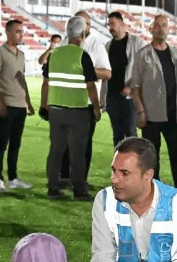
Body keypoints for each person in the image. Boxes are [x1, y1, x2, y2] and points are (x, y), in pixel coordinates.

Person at [42, 16, 101, 201]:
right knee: (77, 154)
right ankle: (79, 190)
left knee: (55, 151)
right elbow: (90, 86)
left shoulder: (54, 54)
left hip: (56, 111)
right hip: (77, 111)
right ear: (82, 34)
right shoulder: (82, 55)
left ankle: (53, 188)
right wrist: (97, 108)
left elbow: (46, 82)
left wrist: (44, 104)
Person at [131, 15, 177, 192]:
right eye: (157, 25)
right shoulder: (143, 55)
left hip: (173, 113)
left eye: (164, 25)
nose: (161, 28)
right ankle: (153, 191)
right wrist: (140, 112)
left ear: (169, 29)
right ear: (151, 29)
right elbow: (135, 87)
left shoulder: (176, 54)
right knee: (151, 155)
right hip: (151, 114)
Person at [60, 11, 112, 190]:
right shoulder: (64, 42)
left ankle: (80, 180)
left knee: (84, 144)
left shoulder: (96, 45)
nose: (81, 26)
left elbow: (107, 73)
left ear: (89, 26)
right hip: (65, 100)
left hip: (86, 103)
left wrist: (85, 69)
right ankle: (64, 178)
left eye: (85, 23)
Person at [0, 19, 35, 194]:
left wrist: (28, 102)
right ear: (8, 33)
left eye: (22, 31)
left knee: (16, 143)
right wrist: (1, 102)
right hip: (7, 104)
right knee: (2, 143)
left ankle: (13, 178)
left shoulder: (21, 55)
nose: (21, 34)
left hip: (20, 105)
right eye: (17, 31)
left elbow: (21, 79)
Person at [104, 12, 145, 146]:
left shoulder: (137, 42)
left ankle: (134, 159)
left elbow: (145, 68)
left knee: (130, 132)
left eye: (112, 23)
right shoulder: (108, 46)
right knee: (117, 134)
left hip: (130, 97)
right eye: (108, 24)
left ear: (122, 24)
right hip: (111, 96)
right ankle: (118, 159)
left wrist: (130, 86)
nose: (110, 27)